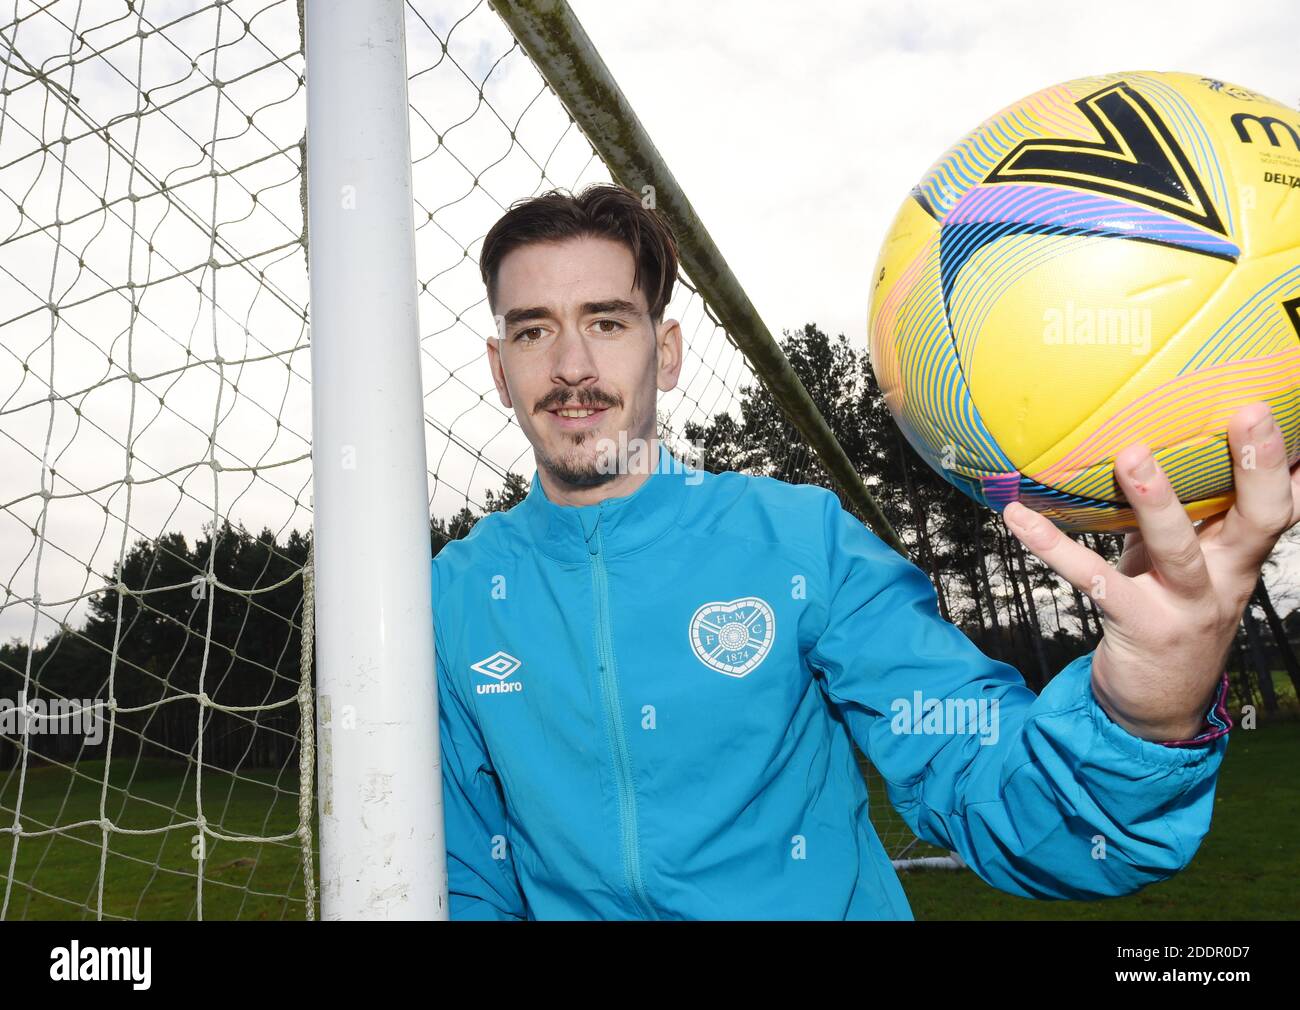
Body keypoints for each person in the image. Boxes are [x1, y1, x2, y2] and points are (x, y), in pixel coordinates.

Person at [430, 183, 1295, 920]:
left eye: (607, 322)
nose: (572, 365)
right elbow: (467, 872)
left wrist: (1145, 714)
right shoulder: (451, 596)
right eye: (534, 330)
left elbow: (979, 770)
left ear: (665, 354)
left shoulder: (803, 541)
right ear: (500, 367)